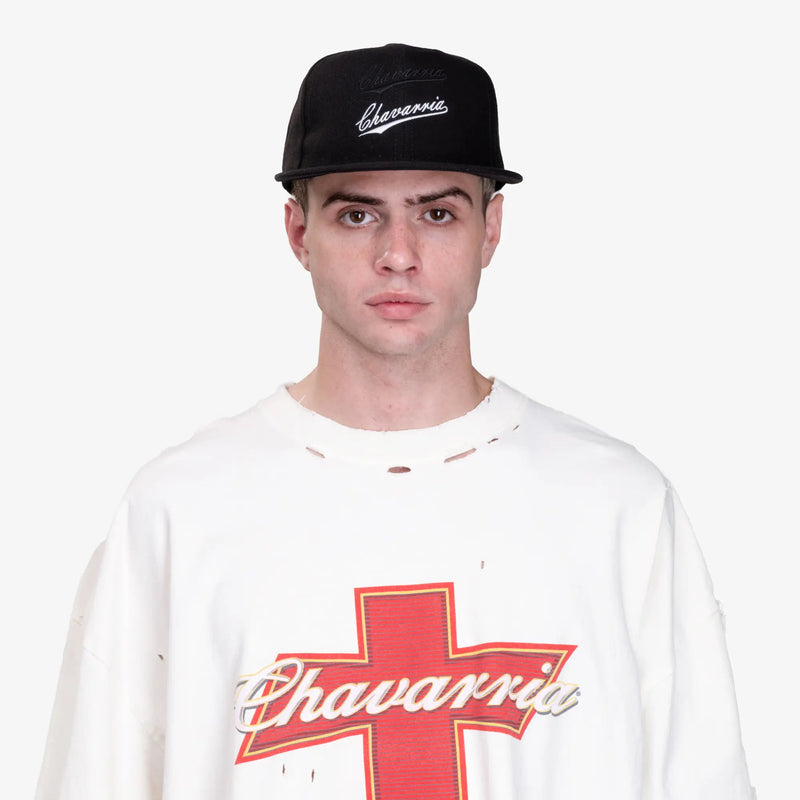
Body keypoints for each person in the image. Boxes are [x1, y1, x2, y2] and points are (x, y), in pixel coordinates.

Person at [36, 43, 754, 800]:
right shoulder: (178, 512)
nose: (398, 254)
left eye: (437, 213)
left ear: (491, 229)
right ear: (298, 232)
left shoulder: (618, 506)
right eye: (357, 215)